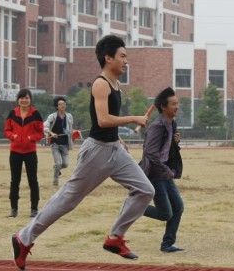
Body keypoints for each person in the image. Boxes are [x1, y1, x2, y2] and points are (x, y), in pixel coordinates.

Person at [11, 35, 154, 270]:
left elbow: (106, 124)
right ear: (108, 58)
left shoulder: (116, 84)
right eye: (122, 56)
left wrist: (118, 139)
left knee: (145, 190)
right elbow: (103, 120)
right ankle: (24, 238)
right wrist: (132, 119)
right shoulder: (100, 84)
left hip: (114, 150)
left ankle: (115, 238)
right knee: (68, 199)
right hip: (96, 152)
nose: (126, 61)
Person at [139, 87, 185, 253]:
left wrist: (175, 142)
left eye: (177, 103)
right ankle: (135, 207)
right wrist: (165, 170)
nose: (177, 107)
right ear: (164, 107)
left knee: (178, 207)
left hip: (165, 172)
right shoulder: (157, 126)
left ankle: (167, 244)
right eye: (173, 104)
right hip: (154, 173)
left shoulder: (172, 123)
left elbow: (166, 149)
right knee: (165, 213)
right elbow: (150, 153)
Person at [4, 88, 44, 218]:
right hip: (15, 151)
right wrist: (13, 136)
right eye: (21, 98)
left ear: (30, 99)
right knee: (14, 180)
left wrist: (31, 138)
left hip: (30, 152)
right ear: (18, 99)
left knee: (33, 180)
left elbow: (40, 133)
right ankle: (13, 209)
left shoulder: (36, 114)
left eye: (26, 98)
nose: (24, 100)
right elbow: (7, 130)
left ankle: (34, 209)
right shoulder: (12, 113)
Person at [44, 96, 74, 186]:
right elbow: (45, 126)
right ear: (57, 106)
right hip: (55, 143)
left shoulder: (69, 116)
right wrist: (51, 133)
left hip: (65, 144)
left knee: (65, 164)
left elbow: (70, 129)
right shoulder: (52, 116)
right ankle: (55, 180)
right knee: (58, 163)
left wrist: (74, 132)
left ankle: (56, 168)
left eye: (64, 104)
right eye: (60, 104)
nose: (62, 105)